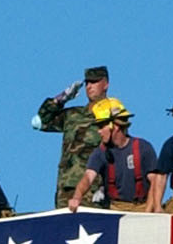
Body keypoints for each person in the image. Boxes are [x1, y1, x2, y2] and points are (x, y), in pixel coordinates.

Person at [34, 65, 115, 208]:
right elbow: (41, 122)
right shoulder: (74, 115)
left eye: (95, 82)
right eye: (87, 83)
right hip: (65, 187)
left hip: (92, 187)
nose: (90, 86)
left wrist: (105, 187)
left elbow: (118, 150)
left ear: (106, 84)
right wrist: (62, 98)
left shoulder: (113, 113)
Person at [67, 100, 160, 213]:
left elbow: (155, 182)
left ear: (114, 126)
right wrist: (77, 197)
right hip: (116, 209)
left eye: (102, 126)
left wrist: (147, 212)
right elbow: (88, 177)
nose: (99, 131)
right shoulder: (100, 153)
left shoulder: (143, 148)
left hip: (143, 207)